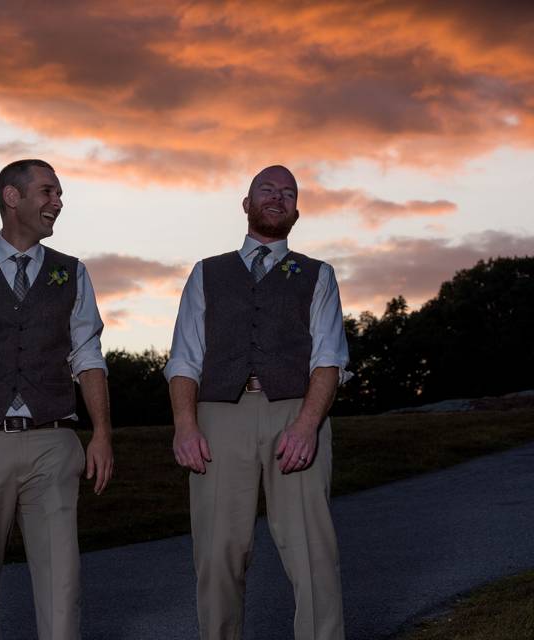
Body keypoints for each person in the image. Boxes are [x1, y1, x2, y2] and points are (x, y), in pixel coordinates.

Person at [0, 159, 114, 640]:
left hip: (53, 443)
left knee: (62, 585)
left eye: (58, 194)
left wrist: (101, 435)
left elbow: (88, 356)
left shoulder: (71, 273)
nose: (57, 202)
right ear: (12, 198)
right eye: (48, 192)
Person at [165, 165, 350, 640]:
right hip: (219, 417)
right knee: (218, 554)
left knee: (313, 553)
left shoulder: (318, 275)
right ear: (246, 204)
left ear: (296, 212)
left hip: (297, 413)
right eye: (266, 189)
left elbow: (328, 359)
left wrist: (308, 425)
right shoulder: (207, 273)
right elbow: (185, 358)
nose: (278, 196)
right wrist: (185, 426)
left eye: (288, 193)